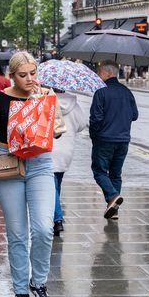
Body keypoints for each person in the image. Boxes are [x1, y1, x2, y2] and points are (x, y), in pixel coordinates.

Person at [0, 51, 56, 297]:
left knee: (44, 229)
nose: (29, 79)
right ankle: (21, 290)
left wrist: (42, 106)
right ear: (11, 76)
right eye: (22, 75)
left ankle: (40, 282)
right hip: (8, 162)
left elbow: (56, 129)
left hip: (40, 163)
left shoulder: (46, 95)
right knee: (17, 234)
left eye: (33, 73)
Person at [90, 60, 138, 220]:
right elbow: (135, 115)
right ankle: (113, 210)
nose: (98, 75)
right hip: (123, 140)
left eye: (99, 72)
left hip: (104, 139)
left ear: (107, 73)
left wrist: (94, 136)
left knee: (99, 171)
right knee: (115, 174)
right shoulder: (126, 91)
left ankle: (112, 196)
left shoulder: (101, 92)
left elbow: (95, 119)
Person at [51, 89, 88, 236]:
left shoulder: (46, 101)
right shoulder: (74, 104)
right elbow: (82, 124)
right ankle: (54, 214)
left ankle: (57, 219)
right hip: (66, 150)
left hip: (50, 148)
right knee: (56, 184)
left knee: (50, 186)